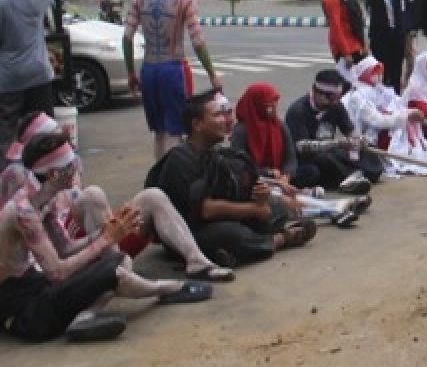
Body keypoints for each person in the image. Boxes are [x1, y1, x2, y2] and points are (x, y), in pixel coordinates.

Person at [0, 131, 212, 343]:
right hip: (26, 312)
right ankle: (171, 289)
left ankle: (84, 318)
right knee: (112, 271)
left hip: (37, 289)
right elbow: (57, 272)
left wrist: (108, 232)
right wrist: (105, 240)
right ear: (54, 175)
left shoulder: (44, 199)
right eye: (72, 163)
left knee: (116, 261)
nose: (77, 168)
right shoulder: (23, 212)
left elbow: (65, 248)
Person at [147, 90, 317, 267]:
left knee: (278, 209)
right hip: (190, 231)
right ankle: (280, 239)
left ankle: (231, 253)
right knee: (233, 234)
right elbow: (207, 210)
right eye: (217, 115)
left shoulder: (216, 154)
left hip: (217, 221)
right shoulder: (181, 158)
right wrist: (254, 209)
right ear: (197, 124)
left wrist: (261, 198)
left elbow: (232, 192)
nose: (225, 120)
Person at [123, 0, 223, 159]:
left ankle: (160, 179)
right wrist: (212, 75)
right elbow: (198, 42)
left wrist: (131, 72)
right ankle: (172, 181)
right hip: (172, 70)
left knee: (159, 131)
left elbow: (127, 37)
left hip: (148, 70)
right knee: (175, 131)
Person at [231, 83, 363, 227]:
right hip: (256, 182)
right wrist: (268, 173)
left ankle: (334, 207)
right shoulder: (241, 131)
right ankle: (333, 209)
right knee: (282, 199)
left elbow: (290, 156)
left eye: (275, 103)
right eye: (269, 104)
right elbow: (240, 166)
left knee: (297, 184)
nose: (274, 108)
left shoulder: (278, 125)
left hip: (280, 178)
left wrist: (286, 176)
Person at [0, 0, 56, 155]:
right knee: (42, 127)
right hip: (38, 73)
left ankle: (6, 177)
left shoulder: (3, 4)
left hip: (10, 77)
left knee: (7, 130)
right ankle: (44, 170)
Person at [284, 71, 382, 194]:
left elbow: (350, 132)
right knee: (321, 163)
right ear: (318, 93)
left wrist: (359, 140)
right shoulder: (297, 111)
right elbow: (301, 147)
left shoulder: (336, 106)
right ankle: (351, 178)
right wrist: (337, 143)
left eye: (338, 97)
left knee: (368, 151)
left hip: (331, 150)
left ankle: (356, 176)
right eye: (332, 98)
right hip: (309, 157)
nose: (336, 101)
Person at [343, 56, 427, 173]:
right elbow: (376, 120)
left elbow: (397, 102)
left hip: (381, 129)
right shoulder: (359, 95)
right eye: (376, 72)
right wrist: (404, 117)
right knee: (399, 128)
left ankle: (415, 152)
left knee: (406, 122)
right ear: (366, 73)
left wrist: (409, 112)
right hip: (368, 137)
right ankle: (407, 155)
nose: (380, 76)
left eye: (381, 72)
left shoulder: (378, 89)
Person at [361, 0, 405, 89]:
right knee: (383, 71)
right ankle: (384, 103)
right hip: (380, 33)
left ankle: (397, 100)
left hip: (397, 32)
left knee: (397, 70)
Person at [321, 0, 369, 83]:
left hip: (356, 45)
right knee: (349, 85)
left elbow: (357, 22)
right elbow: (336, 28)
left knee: (361, 83)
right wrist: (346, 53)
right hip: (344, 48)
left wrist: (363, 44)